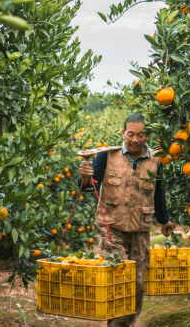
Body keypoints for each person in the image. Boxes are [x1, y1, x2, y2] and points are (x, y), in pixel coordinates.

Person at [78, 113, 173, 327]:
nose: (135, 139)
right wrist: (84, 175)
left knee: (138, 283)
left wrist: (164, 219)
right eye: (131, 134)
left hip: (141, 229)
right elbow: (86, 185)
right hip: (111, 228)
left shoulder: (157, 160)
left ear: (146, 135)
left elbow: (159, 193)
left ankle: (124, 324)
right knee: (120, 277)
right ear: (123, 133)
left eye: (141, 135)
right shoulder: (106, 156)